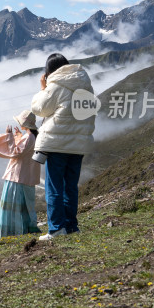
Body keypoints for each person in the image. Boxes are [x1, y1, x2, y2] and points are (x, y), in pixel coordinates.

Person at [30, 53, 95, 241]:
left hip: (57, 145)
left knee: (54, 188)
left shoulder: (55, 86)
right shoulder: (85, 84)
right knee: (70, 187)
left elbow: (40, 109)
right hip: (79, 144)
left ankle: (57, 228)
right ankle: (71, 226)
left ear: (49, 71)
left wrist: (43, 89)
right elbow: (89, 112)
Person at [0, 110, 42, 238]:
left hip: (18, 175)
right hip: (25, 175)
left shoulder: (29, 137)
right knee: (25, 204)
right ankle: (24, 228)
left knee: (13, 204)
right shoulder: (32, 136)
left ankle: (12, 231)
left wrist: (9, 136)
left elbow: (16, 152)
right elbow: (23, 150)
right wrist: (18, 136)